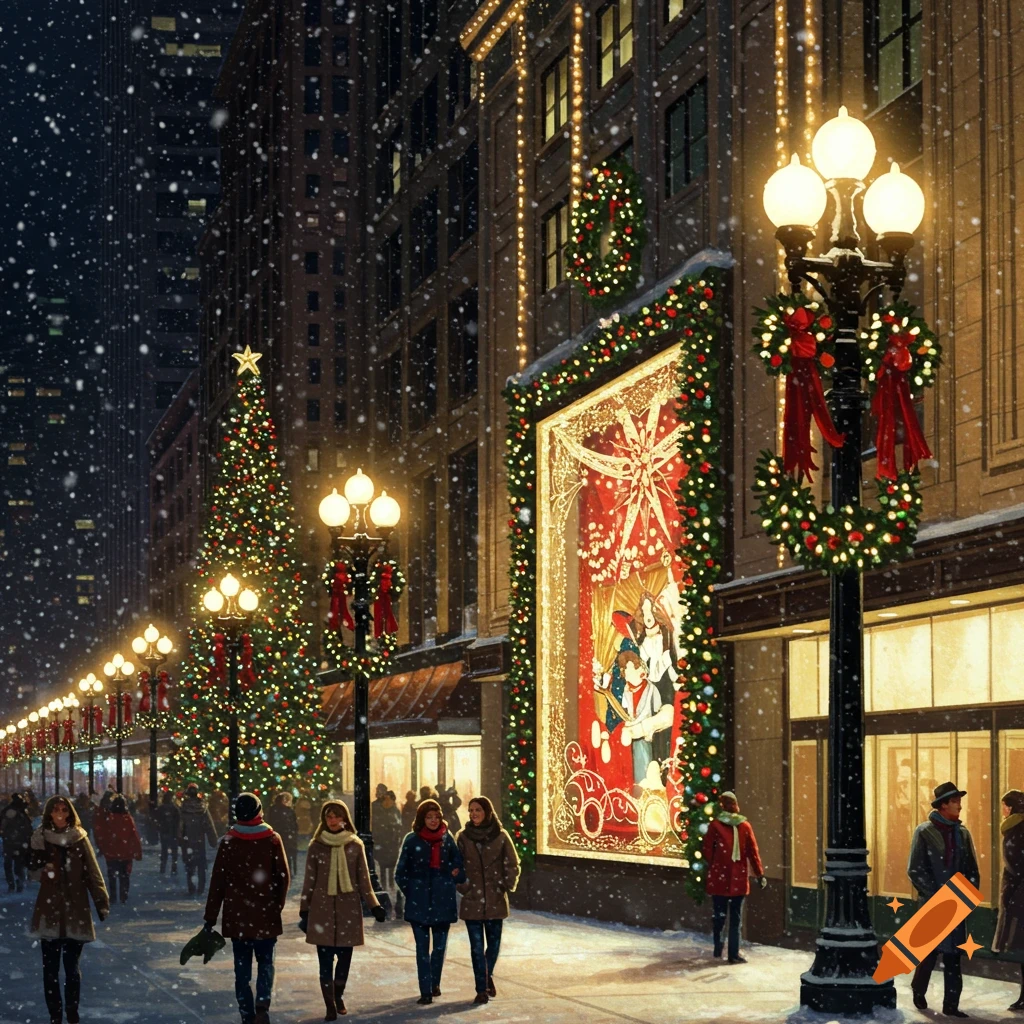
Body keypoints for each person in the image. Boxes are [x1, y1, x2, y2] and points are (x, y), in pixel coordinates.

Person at [204, 793, 291, 1024]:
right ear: (259, 811)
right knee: (265, 964)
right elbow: (284, 877)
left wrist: (210, 917)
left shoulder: (228, 841)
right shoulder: (272, 839)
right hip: (266, 915)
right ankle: (262, 1006)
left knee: (241, 970)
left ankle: (246, 1013)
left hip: (238, 916)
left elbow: (218, 882)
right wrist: (276, 905)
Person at [299, 800, 385, 1019]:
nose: (333, 820)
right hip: (322, 909)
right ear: (324, 820)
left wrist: (375, 906)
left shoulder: (355, 845)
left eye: (337, 816)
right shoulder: (316, 845)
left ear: (345, 818)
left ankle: (338, 995)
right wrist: (305, 908)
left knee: (344, 962)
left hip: (349, 909)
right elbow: (309, 880)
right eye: (329, 816)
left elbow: (364, 879)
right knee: (325, 963)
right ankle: (329, 1005)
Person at [29, 795, 110, 1024]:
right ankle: (55, 1015)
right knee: (50, 970)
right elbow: (32, 870)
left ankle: (72, 1013)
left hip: (75, 908)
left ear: (70, 812)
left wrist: (101, 902)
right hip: (50, 909)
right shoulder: (40, 838)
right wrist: (45, 871)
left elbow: (93, 873)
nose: (61, 814)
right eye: (56, 810)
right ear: (49, 813)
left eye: (64, 810)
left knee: (72, 968)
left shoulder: (79, 838)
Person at [907, 781, 980, 1018]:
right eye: (955, 801)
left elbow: (971, 869)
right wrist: (934, 894)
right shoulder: (924, 831)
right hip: (933, 904)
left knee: (953, 957)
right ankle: (918, 990)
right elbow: (915, 869)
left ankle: (951, 1005)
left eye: (959, 801)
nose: (959, 805)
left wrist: (967, 895)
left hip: (956, 904)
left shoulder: (963, 833)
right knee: (928, 953)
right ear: (943, 805)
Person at [395, 798, 466, 1005]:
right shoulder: (412, 840)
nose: (434, 821)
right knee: (422, 949)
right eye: (429, 817)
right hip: (419, 903)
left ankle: (435, 983)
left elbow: (459, 866)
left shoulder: (447, 838)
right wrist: (414, 892)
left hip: (442, 901)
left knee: (440, 948)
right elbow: (401, 873)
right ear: (422, 818)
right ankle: (425, 990)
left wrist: (454, 874)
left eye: (436, 816)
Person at [456, 796, 521, 1004]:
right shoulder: (463, 838)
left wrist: (504, 884)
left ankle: (486, 975)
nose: (474, 814)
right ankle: (481, 988)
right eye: (471, 810)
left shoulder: (501, 836)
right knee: (476, 947)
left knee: (493, 945)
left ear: (487, 812)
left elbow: (513, 864)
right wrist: (464, 886)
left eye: (478, 810)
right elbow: (455, 867)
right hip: (472, 900)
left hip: (495, 899)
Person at [702, 791, 765, 965]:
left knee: (720, 915)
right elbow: (753, 853)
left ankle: (718, 946)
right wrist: (760, 874)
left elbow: (707, 849)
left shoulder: (715, 825)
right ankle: (733, 954)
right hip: (737, 879)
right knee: (735, 920)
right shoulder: (744, 826)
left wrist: (717, 864)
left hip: (719, 879)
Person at [994, 789, 1024, 1011]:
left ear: (1011, 807)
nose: (1002, 810)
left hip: (1019, 895)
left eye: (1005, 805)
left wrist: (1012, 890)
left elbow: (1015, 864)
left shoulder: (1016, 829)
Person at [96, 794, 143, 905]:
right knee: (124, 875)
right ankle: (123, 896)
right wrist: (137, 851)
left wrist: (103, 848)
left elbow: (103, 834)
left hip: (111, 852)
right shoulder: (128, 819)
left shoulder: (109, 819)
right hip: (125, 852)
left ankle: (113, 896)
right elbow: (133, 836)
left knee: (112, 875)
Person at [179, 784, 219, 895]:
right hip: (200, 839)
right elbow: (209, 825)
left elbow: (180, 825)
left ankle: (191, 887)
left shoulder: (184, 807)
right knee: (201, 864)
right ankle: (201, 887)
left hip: (188, 840)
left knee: (190, 864)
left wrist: (180, 838)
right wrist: (213, 840)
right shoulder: (202, 807)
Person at [2, 792, 34, 892]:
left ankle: (13, 884)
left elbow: (2, 826)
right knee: (18, 865)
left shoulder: (8, 811)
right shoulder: (23, 812)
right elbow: (28, 828)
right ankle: (19, 883)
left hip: (10, 841)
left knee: (9, 864)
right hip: (20, 842)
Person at [373, 790, 403, 893]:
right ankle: (384, 884)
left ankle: (390, 883)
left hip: (392, 841)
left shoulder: (395, 811)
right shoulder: (379, 811)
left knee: (391, 863)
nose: (387, 801)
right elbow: (376, 825)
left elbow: (399, 825)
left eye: (389, 799)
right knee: (382, 863)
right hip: (382, 840)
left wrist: (397, 836)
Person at [266, 792, 299, 877]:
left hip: (275, 836)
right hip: (287, 837)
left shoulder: (272, 809)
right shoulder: (289, 811)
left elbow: (269, 822)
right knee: (286, 856)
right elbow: (294, 826)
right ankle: (287, 872)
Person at [154, 791, 181, 875]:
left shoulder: (161, 808)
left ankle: (163, 867)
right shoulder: (174, 808)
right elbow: (178, 820)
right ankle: (174, 867)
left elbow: (156, 818)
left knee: (164, 850)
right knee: (174, 851)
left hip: (164, 832)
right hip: (173, 832)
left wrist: (160, 827)